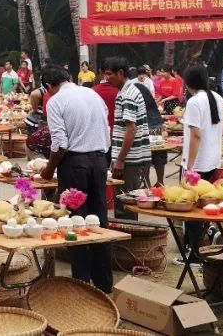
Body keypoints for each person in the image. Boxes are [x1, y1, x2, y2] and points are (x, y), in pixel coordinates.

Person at [38, 66, 112, 291]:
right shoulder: (92, 94)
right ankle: (104, 283)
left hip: (75, 164)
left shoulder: (56, 101)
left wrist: (49, 169)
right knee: (99, 218)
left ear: (49, 86)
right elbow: (106, 128)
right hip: (99, 160)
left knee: (75, 221)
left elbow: (60, 143)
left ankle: (81, 282)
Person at [180, 65, 223, 261]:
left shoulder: (194, 102)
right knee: (207, 205)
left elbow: (196, 135)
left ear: (188, 82)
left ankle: (194, 254)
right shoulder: (218, 98)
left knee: (190, 209)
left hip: (197, 164)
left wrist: (190, 167)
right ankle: (206, 237)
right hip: (213, 159)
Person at [105, 57, 152, 217]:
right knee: (126, 203)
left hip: (130, 160)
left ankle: (127, 241)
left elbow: (131, 129)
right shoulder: (128, 90)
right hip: (132, 158)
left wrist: (120, 159)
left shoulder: (128, 95)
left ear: (120, 73)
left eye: (109, 74)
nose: (107, 78)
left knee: (125, 206)